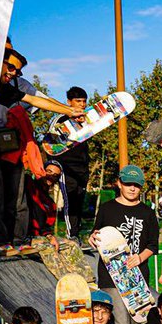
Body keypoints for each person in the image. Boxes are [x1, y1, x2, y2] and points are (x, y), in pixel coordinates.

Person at [0, 48, 80, 251]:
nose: (14, 73)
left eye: (18, 71)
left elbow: (35, 99)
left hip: (7, 149)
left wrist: (70, 110)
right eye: (11, 67)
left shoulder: (7, 88)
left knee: (17, 198)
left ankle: (18, 240)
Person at [90, 164, 159, 324]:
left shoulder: (148, 212)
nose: (132, 188)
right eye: (128, 183)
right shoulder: (106, 209)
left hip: (137, 278)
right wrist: (92, 238)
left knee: (140, 322)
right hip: (111, 277)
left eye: (136, 185)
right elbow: (97, 234)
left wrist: (140, 257)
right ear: (119, 183)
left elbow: (153, 244)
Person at [53, 86, 91, 238]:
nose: (82, 104)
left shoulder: (88, 119)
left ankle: (76, 233)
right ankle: (71, 235)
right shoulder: (60, 119)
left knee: (79, 200)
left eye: (84, 101)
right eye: (78, 101)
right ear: (69, 102)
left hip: (82, 166)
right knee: (70, 199)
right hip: (66, 166)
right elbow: (51, 143)